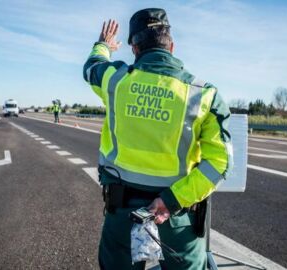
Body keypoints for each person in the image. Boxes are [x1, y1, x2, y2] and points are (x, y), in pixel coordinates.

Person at [83, 8, 233, 270]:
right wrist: (170, 201)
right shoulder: (204, 95)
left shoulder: (115, 80)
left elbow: (92, 67)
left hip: (122, 212)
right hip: (176, 218)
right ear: (171, 46)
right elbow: (219, 164)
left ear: (134, 48)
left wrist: (104, 45)